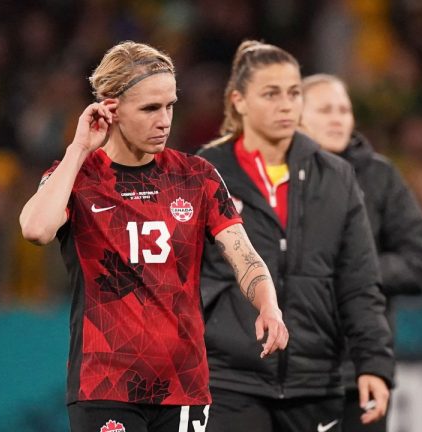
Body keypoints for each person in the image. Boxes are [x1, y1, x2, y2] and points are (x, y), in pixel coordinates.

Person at [19, 41, 288, 432]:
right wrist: (79, 148)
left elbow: (242, 254)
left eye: (170, 106)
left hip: (182, 385)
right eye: (149, 108)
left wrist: (268, 304)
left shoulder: (197, 177)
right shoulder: (76, 176)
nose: (164, 120)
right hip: (104, 383)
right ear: (110, 108)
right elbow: (35, 229)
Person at [197, 40, 393, 432]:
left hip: (314, 378)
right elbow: (180, 277)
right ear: (239, 101)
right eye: (271, 94)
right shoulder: (204, 170)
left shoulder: (336, 176)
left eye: (294, 93)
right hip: (229, 378)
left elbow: (359, 280)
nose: (286, 105)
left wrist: (373, 362)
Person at [300, 73, 422, 432]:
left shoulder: (380, 177)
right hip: (291, 373)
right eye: (325, 109)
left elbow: (421, 262)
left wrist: (356, 271)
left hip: (360, 367)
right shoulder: (275, 177)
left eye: (344, 110)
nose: (337, 118)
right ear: (297, 117)